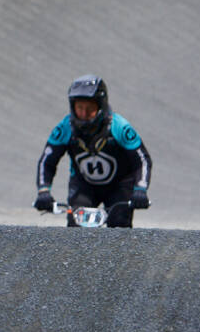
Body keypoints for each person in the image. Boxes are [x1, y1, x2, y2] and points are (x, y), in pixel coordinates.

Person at [34, 75, 152, 227]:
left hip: (120, 186)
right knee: (76, 231)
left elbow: (142, 160)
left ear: (100, 106)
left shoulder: (120, 127)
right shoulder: (64, 128)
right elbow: (47, 161)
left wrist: (140, 189)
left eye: (89, 109)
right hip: (84, 185)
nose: (83, 114)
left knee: (119, 228)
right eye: (79, 108)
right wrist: (43, 191)